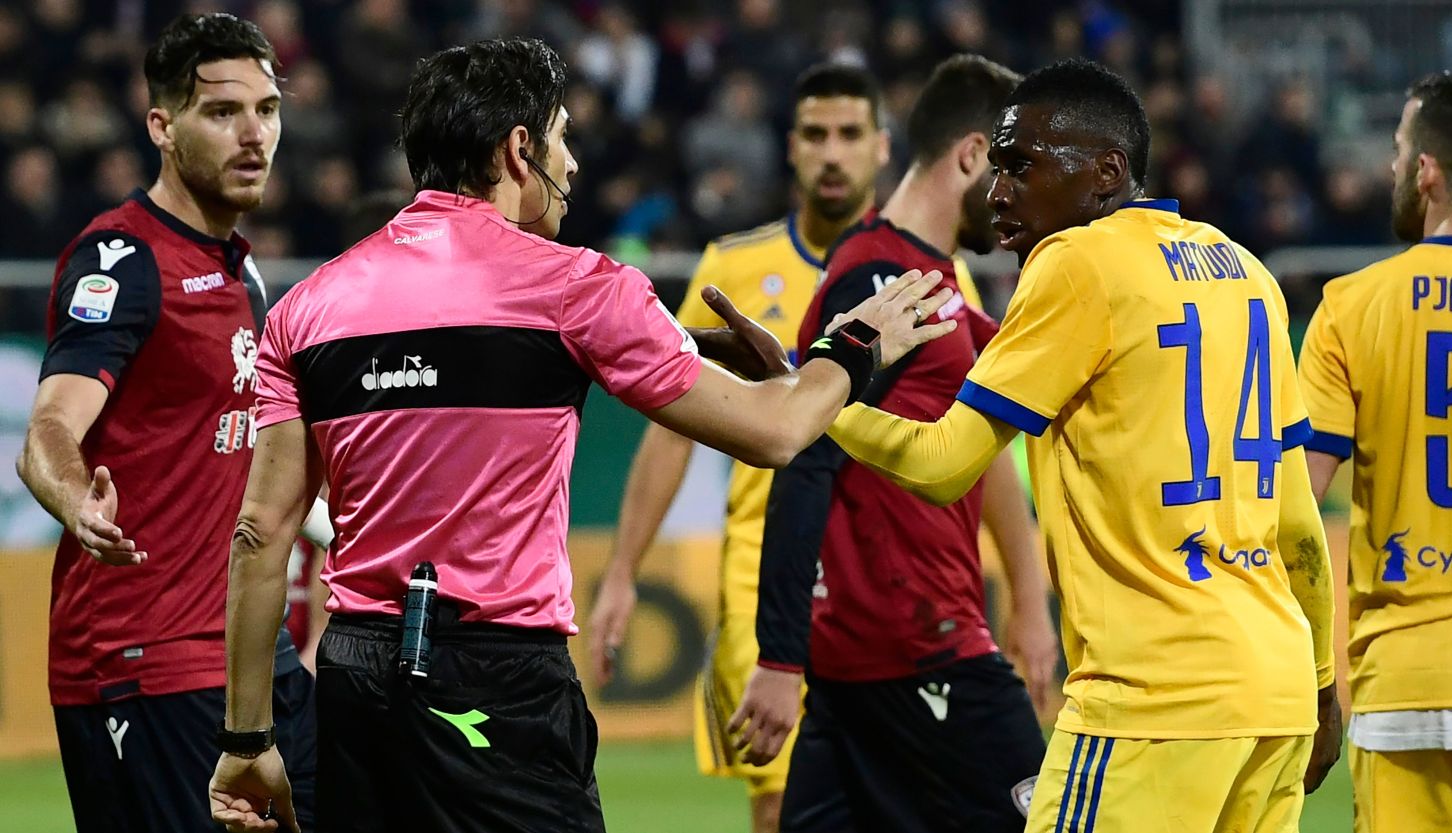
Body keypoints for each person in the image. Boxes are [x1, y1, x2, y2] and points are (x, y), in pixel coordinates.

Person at [207, 37, 955, 833]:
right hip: (496, 679)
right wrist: (855, 343)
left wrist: (248, 737)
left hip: (356, 676)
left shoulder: (307, 308)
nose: (574, 162)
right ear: (519, 149)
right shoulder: (574, 287)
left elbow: (260, 533)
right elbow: (776, 431)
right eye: (562, 136)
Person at [816, 59, 1343, 831]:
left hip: (1154, 696)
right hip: (1276, 690)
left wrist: (811, 400)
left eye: (1021, 166)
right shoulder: (1248, 273)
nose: (997, 192)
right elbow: (1298, 522)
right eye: (994, 167)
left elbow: (942, 461)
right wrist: (1323, 687)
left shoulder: (1076, 261)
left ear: (1106, 172)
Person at [728, 55, 1052, 833]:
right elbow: (806, 453)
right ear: (972, 155)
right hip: (919, 649)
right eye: (1012, 170)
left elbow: (989, 442)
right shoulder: (880, 284)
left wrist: (1032, 604)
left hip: (867, 666)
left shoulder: (932, 285)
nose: (1017, 198)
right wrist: (778, 657)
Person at [14, 13, 318, 833]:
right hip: (144, 662)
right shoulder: (121, 260)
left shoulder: (241, 267)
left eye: (267, 109)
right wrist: (78, 501)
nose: (254, 134)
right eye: (223, 113)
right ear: (162, 125)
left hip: (254, 662)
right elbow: (48, 430)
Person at [584, 62, 890, 833]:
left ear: (882, 148)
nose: (832, 152)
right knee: (782, 807)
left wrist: (1023, 598)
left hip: (888, 574)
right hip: (767, 577)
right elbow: (670, 426)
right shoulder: (734, 267)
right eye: (816, 134)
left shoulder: (927, 271)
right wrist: (622, 570)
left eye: (849, 134)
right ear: (789, 147)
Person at [1297, 65, 1452, 833]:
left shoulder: (1348, 307)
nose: (1391, 165)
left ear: (1428, 172)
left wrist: (1311, 687)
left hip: (1405, 680)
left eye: (1401, 147)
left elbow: (1295, 512)